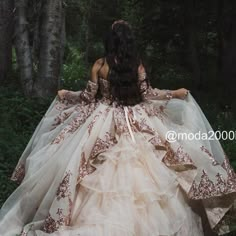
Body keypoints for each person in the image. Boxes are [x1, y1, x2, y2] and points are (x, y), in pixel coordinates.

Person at [0, 19, 235, 236]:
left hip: (102, 119)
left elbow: (88, 97)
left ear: (110, 42)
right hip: (137, 118)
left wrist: (66, 95)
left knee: (79, 162)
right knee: (157, 164)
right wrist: (174, 93)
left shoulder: (100, 65)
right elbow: (148, 94)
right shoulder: (137, 65)